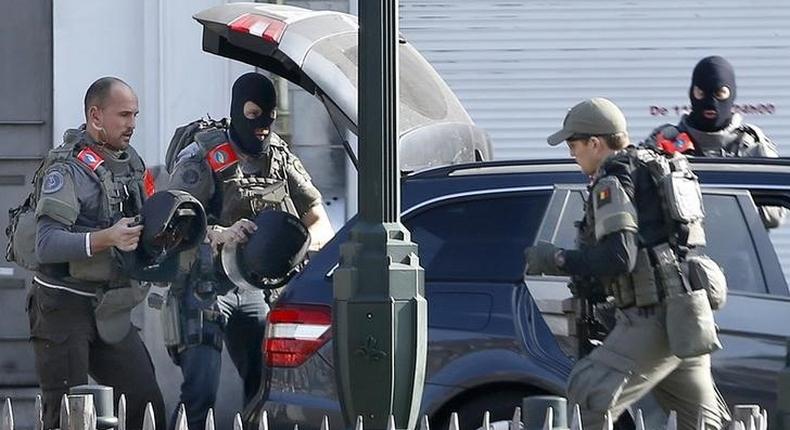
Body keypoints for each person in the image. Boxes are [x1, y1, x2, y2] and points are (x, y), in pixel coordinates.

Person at [525, 98, 730, 430]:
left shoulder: (613, 180)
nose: (572, 154)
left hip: (653, 318)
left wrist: (557, 259)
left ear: (595, 143)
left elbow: (619, 257)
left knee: (589, 396)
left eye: (574, 145)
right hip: (688, 317)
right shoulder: (652, 166)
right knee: (702, 423)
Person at [165, 72, 334, 430]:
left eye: (270, 117)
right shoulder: (204, 154)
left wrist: (303, 246)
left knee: (264, 389)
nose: (263, 126)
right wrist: (221, 233)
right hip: (204, 285)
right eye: (255, 114)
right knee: (200, 392)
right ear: (239, 109)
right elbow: (174, 222)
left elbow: (318, 216)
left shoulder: (278, 156)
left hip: (255, 287)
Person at [27, 77, 166, 430]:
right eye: (123, 115)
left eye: (135, 115)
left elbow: (149, 217)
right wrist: (107, 238)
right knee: (69, 416)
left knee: (145, 402)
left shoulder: (130, 162)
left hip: (111, 306)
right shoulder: (67, 169)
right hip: (62, 307)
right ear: (95, 116)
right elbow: (47, 244)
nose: (132, 124)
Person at [644, 55, 783, 227]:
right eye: (701, 93)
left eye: (720, 93)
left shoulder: (751, 145)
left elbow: (774, 215)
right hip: (679, 250)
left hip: (737, 250)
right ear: (692, 93)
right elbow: (641, 203)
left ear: (731, 94)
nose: (710, 102)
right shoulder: (665, 140)